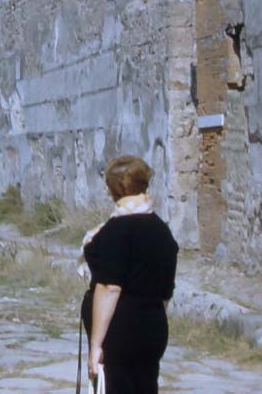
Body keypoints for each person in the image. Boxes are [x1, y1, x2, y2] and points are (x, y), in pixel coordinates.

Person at [81, 155, 178, 394]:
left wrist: (95, 345)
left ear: (113, 190)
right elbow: (166, 292)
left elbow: (109, 288)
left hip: (120, 332)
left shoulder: (114, 232)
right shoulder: (162, 230)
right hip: (153, 328)